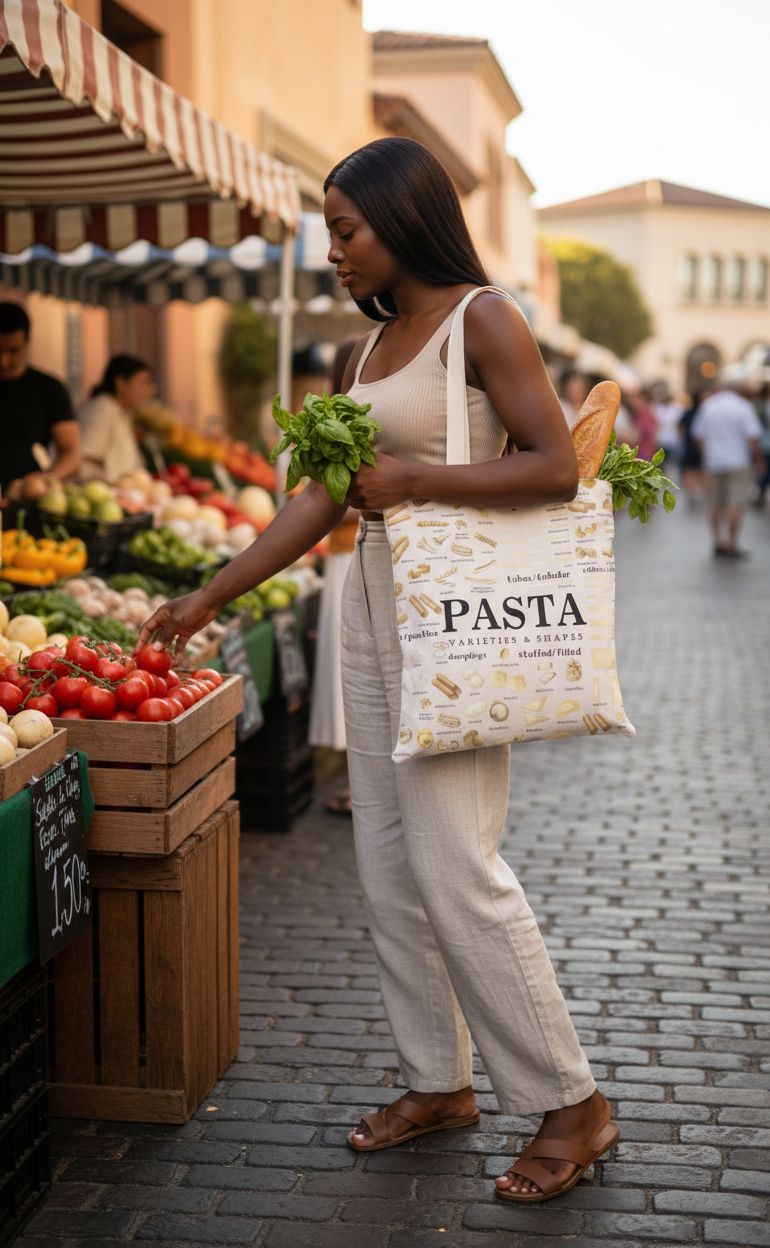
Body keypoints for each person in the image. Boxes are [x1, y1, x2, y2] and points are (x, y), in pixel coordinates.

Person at [137, 136, 617, 1205]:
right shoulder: (361, 356)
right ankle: (437, 1081)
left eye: (346, 230)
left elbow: (554, 465)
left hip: (459, 619)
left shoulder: (483, 319)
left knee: (457, 867)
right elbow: (319, 497)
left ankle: (571, 1102)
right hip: (374, 610)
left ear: (403, 216)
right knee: (391, 865)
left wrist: (415, 480)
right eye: (330, 232)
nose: (335, 251)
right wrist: (211, 594)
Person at [308, 337, 361, 817]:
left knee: (353, 675)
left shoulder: (349, 425)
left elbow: (337, 502)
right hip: (344, 555)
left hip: (350, 557)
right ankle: (361, 786)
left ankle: (361, 788)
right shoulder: (342, 423)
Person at [0, 301, 80, 501]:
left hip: (29, 501)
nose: (3, 361)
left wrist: (44, 480)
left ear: (27, 342)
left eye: (13, 351)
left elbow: (71, 452)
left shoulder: (50, 388)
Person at [692, 379, 763, 557]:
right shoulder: (744, 407)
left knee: (714, 503)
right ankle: (732, 543)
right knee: (736, 503)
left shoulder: (708, 406)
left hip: (713, 462)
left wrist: (707, 455)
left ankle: (717, 541)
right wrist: (759, 459)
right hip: (739, 461)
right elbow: (753, 437)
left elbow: (698, 436)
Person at [77, 354, 154, 482]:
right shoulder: (100, 410)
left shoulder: (120, 412)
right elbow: (84, 461)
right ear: (120, 383)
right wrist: (112, 484)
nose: (146, 391)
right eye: (141, 383)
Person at [651, 380, 683, 470]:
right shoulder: (653, 407)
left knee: (672, 469)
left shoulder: (677, 408)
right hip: (658, 443)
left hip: (673, 443)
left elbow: (680, 427)